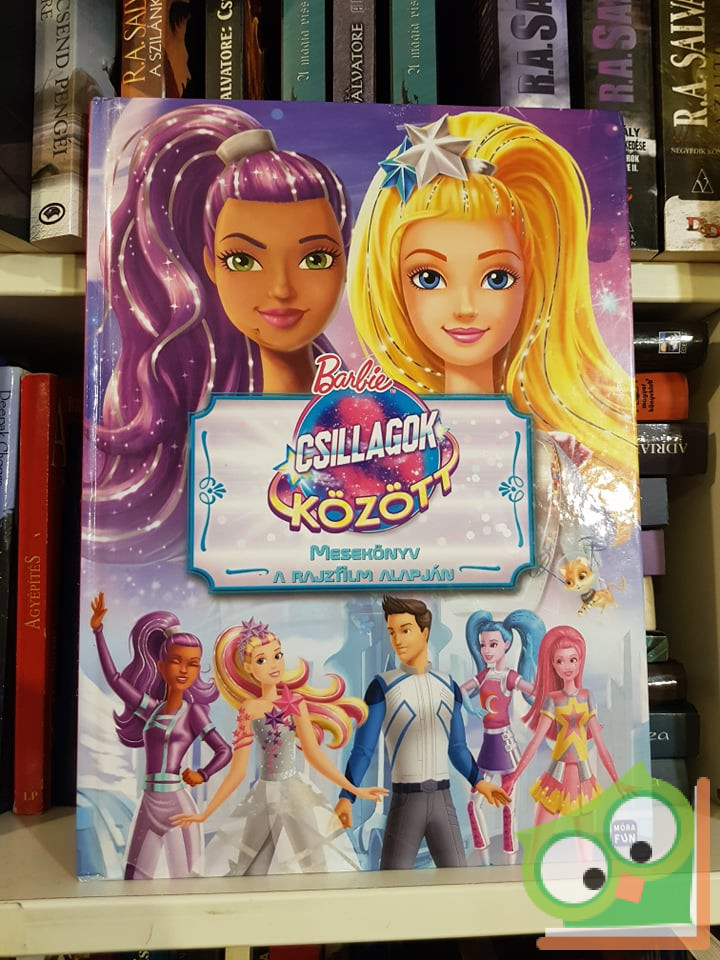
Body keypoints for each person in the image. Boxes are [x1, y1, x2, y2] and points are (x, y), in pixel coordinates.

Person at [347, 111, 638, 568]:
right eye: (428, 277)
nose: (465, 306)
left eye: (497, 277)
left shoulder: (554, 451)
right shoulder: (379, 446)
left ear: (531, 281)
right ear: (393, 284)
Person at [86, 102, 352, 563]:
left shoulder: (371, 411)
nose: (282, 289)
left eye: (316, 258)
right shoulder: (205, 443)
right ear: (210, 265)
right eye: (243, 260)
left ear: (345, 259)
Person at [172, 619, 387, 875]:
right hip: (263, 796)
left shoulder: (295, 702)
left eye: (277, 655)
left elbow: (314, 754)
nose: (274, 665)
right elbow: (238, 771)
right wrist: (205, 814)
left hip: (296, 794)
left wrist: (354, 789)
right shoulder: (249, 710)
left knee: (315, 865)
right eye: (262, 660)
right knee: (249, 867)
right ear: (249, 668)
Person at [334, 595, 510, 869]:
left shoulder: (448, 685)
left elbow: (457, 748)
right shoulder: (382, 686)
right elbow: (363, 750)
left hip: (443, 800)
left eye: (405, 630)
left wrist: (479, 781)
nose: (397, 639)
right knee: (393, 884)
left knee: (458, 880)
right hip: (405, 802)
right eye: (392, 632)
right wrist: (347, 796)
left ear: (424, 632)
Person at [89, 592, 231, 879]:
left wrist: (203, 774)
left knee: (183, 879)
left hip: (178, 806)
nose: (185, 670)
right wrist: (98, 631)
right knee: (133, 877)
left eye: (193, 663)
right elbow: (115, 679)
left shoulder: (193, 713)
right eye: (177, 661)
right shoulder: (150, 709)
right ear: (160, 665)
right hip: (149, 802)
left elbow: (224, 750)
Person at [504, 624, 619, 825]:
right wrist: (513, 777)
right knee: (540, 837)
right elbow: (535, 742)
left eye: (572, 659)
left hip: (583, 778)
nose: (567, 666)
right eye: (560, 661)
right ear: (553, 665)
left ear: (580, 660)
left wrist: (617, 782)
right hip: (556, 776)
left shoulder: (587, 697)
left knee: (586, 842)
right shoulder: (553, 699)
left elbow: (600, 745)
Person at [460, 609, 544, 856]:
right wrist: (469, 708)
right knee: (474, 804)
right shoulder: (483, 675)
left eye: (493, 644)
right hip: (488, 746)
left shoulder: (509, 677)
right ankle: (482, 851)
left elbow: (534, 692)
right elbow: (461, 690)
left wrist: (536, 670)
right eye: (483, 645)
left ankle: (510, 852)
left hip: (506, 747)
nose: (486, 650)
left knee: (508, 804)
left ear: (506, 645)